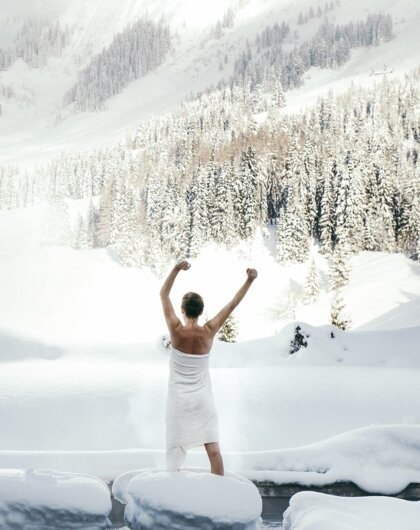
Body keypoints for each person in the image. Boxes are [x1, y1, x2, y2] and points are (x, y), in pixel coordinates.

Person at [160, 260, 258, 476]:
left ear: (183, 310)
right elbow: (232, 305)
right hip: (202, 402)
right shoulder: (209, 331)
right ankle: (220, 496)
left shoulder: (176, 330)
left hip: (179, 401)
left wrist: (176, 269)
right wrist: (249, 280)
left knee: (175, 448)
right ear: (202, 311)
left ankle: (171, 490)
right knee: (213, 450)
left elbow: (163, 294)